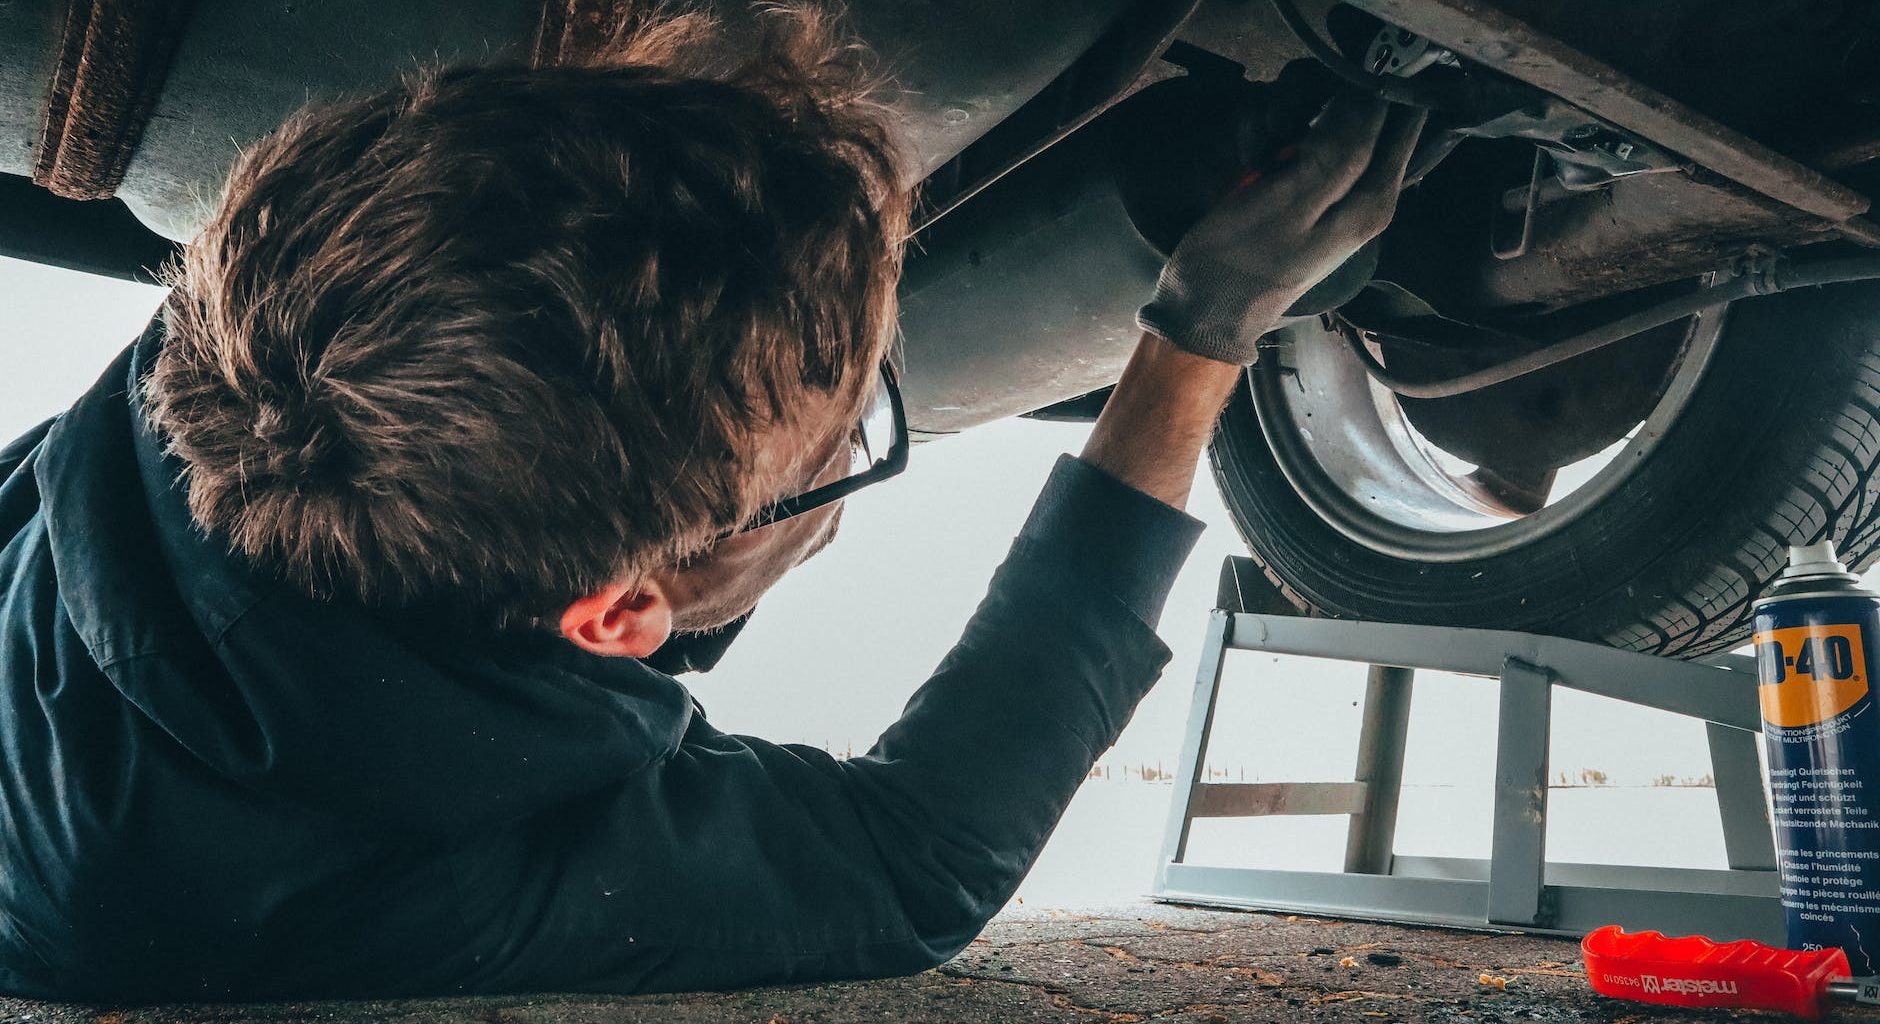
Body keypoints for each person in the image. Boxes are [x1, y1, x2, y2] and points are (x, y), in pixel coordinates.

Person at [0, 8, 1422, 1003]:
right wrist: (1197, 335)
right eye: (845, 441)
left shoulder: (274, 332)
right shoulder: (361, 876)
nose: (851, 453)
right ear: (617, 613)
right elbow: (917, 862)